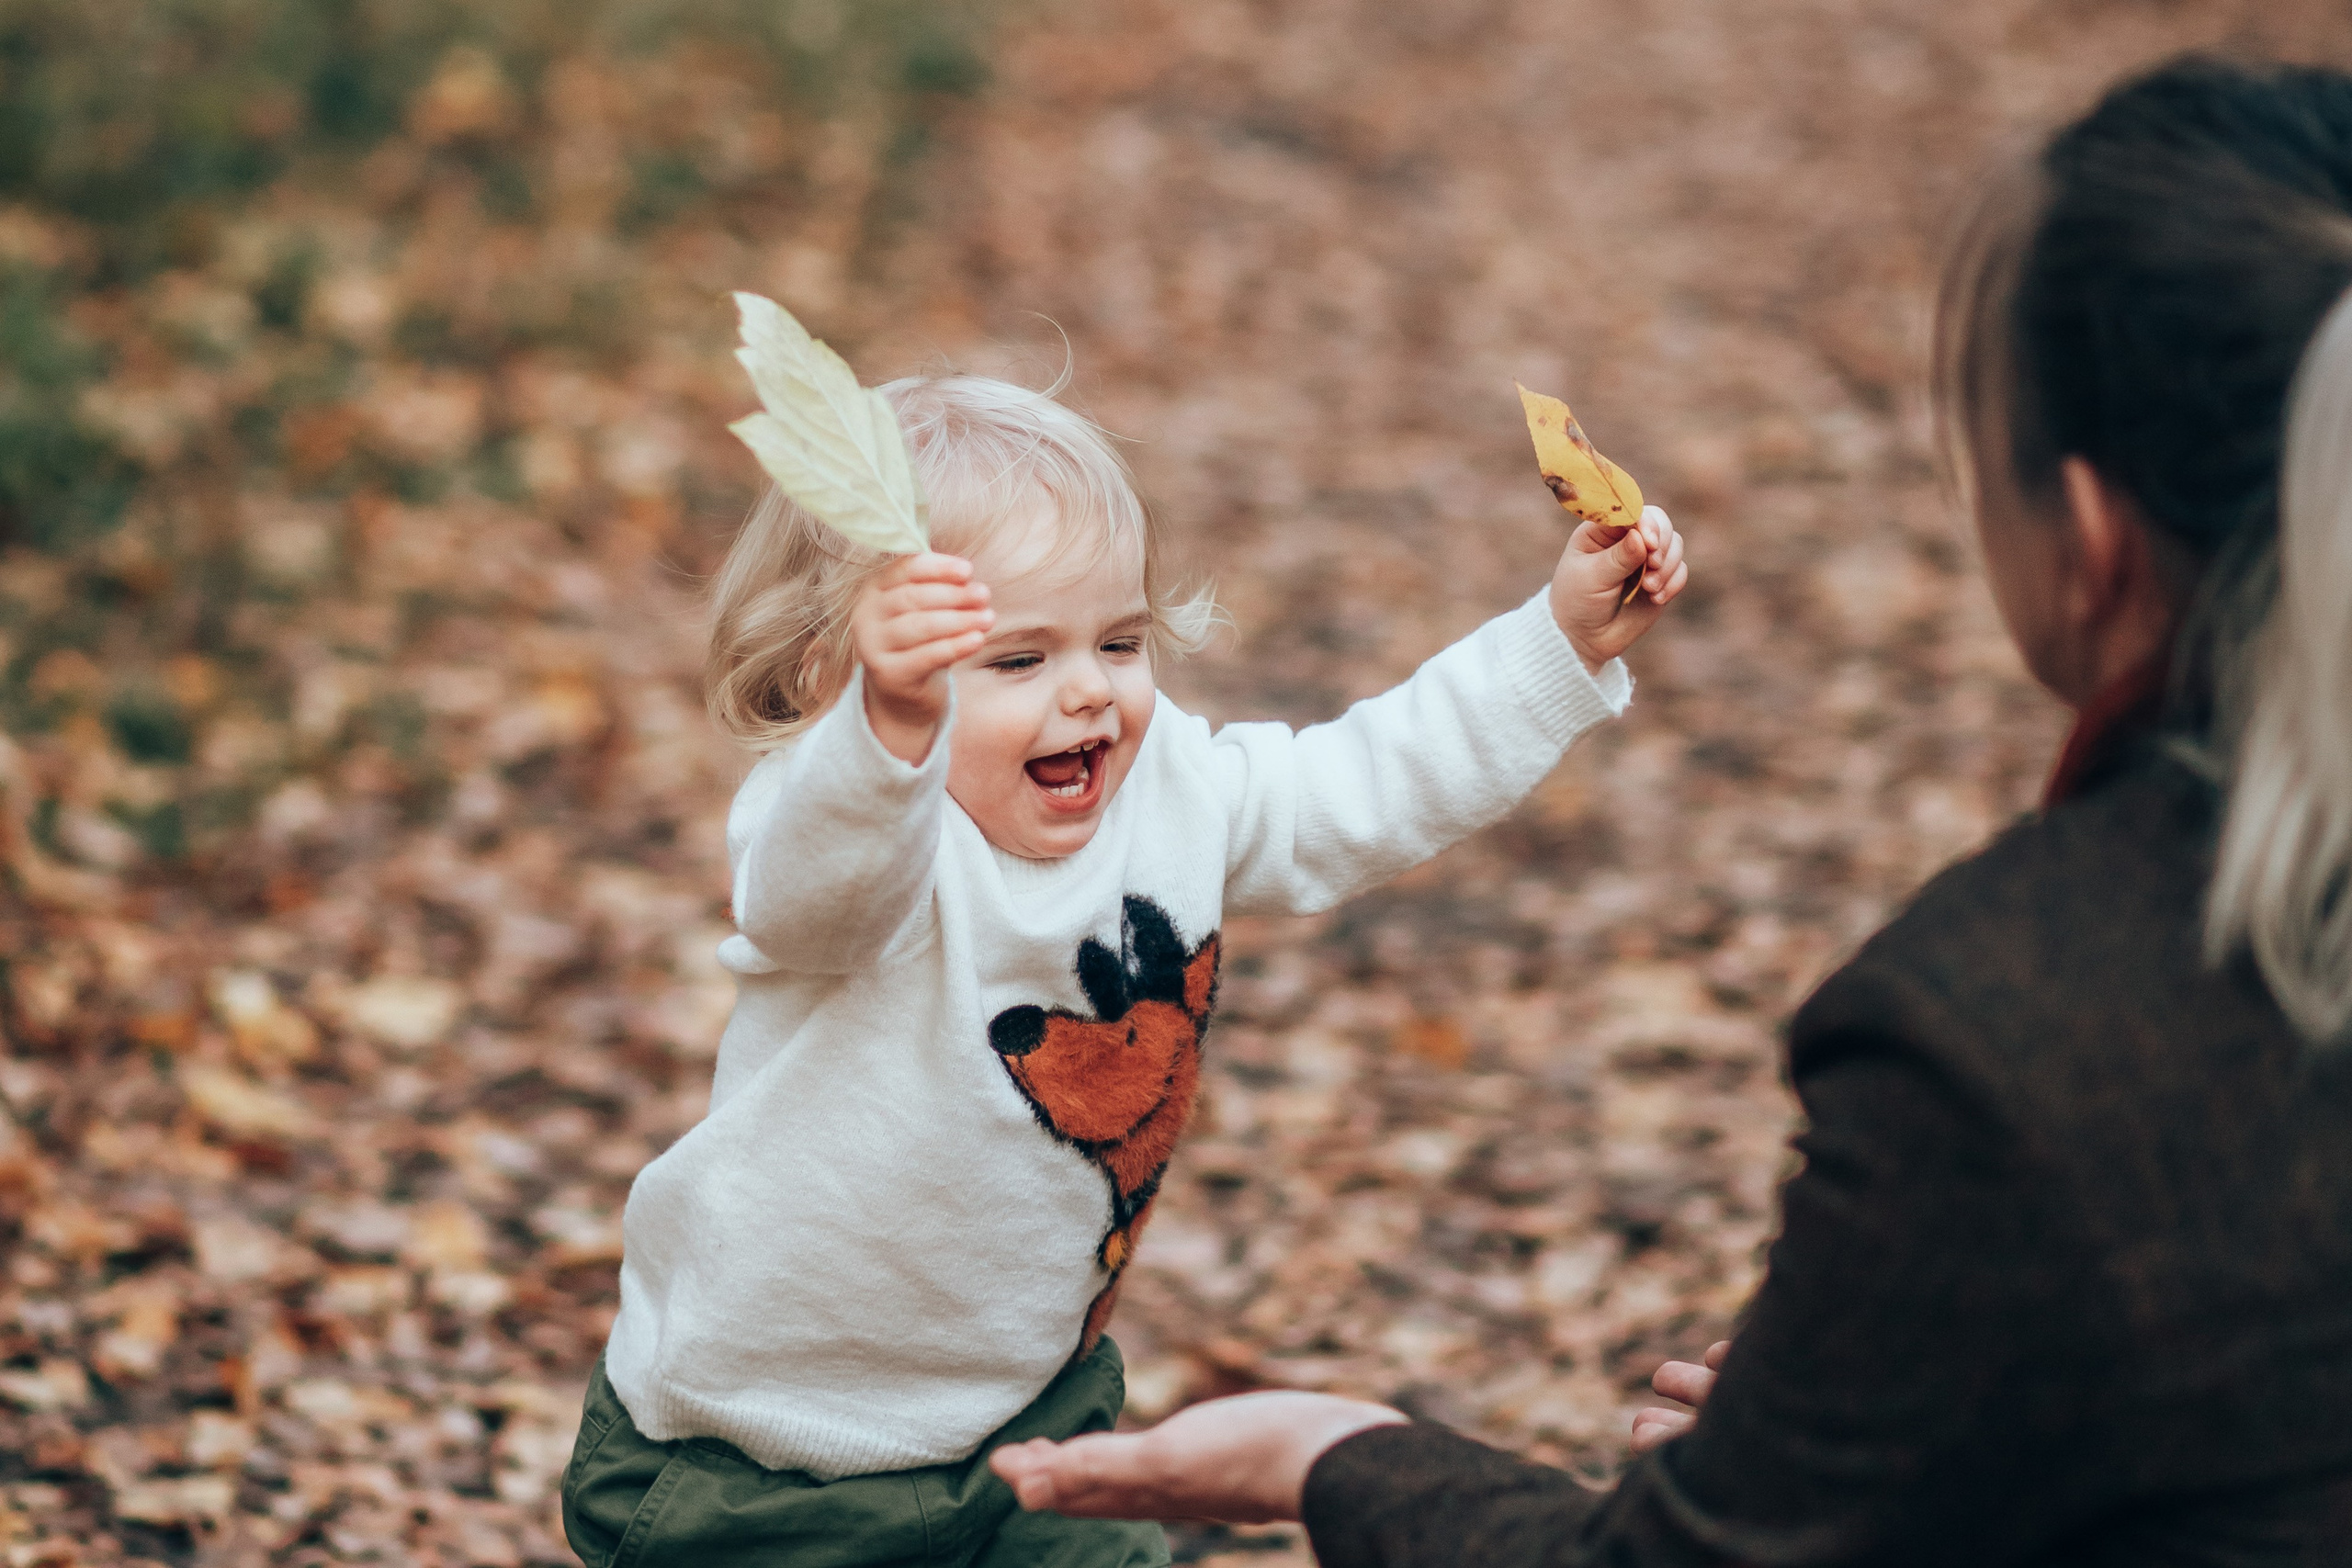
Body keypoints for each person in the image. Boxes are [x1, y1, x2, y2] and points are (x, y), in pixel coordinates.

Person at [988, 54, 2352, 1566]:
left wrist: (1330, 1452)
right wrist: (1864, 1450)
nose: (1090, 691)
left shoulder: (2010, 1035)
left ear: (2090, 544)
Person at [558, 362, 1690, 1564]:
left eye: (1119, 640)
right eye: (1014, 660)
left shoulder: (1170, 793)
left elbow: (1362, 784)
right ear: (845, 676)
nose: (1088, 693)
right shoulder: (868, 833)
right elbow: (815, 898)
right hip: (765, 1466)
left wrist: (1555, 645)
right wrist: (886, 736)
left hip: (1023, 1428)